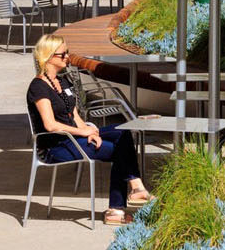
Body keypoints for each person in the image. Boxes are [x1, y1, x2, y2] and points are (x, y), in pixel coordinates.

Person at [26, 34, 152, 225]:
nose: (67, 57)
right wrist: (83, 133)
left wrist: (90, 130)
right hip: (55, 146)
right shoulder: (38, 87)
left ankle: (135, 188)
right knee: (119, 151)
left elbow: (74, 115)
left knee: (123, 130)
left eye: (67, 53)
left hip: (74, 137)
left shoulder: (64, 81)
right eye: (63, 54)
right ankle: (118, 207)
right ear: (49, 57)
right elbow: (50, 125)